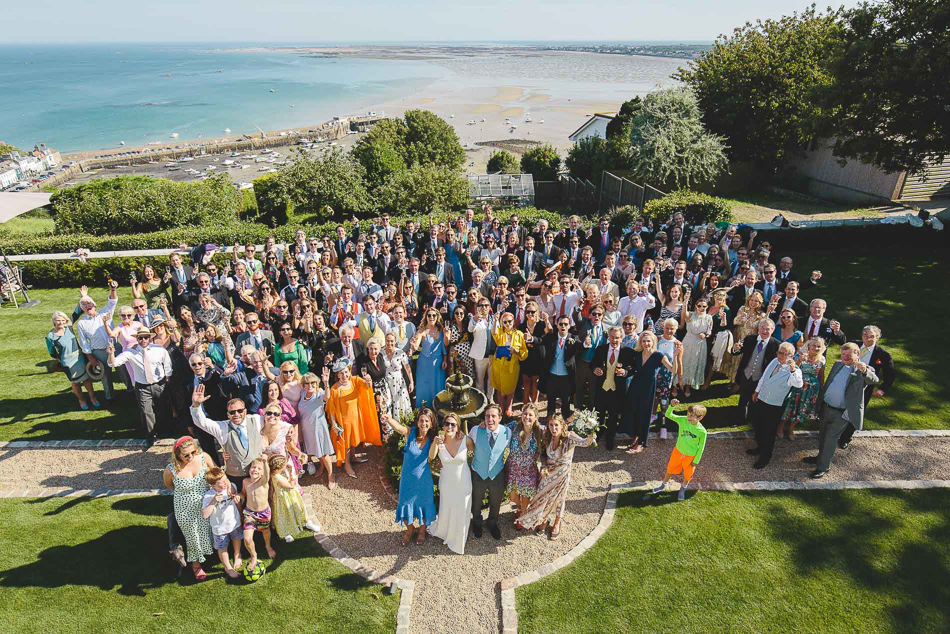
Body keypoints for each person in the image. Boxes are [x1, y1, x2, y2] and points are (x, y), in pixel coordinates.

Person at [804, 343, 879, 478]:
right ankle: (820, 458)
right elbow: (828, 384)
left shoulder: (862, 369)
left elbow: (874, 379)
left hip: (842, 413)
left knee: (830, 439)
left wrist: (864, 371)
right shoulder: (838, 364)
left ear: (857, 354)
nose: (845, 357)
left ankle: (823, 467)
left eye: (849, 354)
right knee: (822, 436)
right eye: (843, 354)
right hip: (826, 407)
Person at [516, 415, 593, 540]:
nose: (553, 428)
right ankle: (543, 520)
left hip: (562, 475)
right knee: (541, 497)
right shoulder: (547, 436)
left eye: (556, 425)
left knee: (559, 499)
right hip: (548, 473)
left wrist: (591, 433)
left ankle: (557, 523)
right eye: (551, 425)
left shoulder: (569, 437)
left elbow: (585, 443)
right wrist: (544, 466)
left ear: (562, 425)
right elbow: (543, 455)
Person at [107, 327, 172, 447]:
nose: (143, 340)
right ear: (137, 339)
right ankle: (151, 436)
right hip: (142, 387)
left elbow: (167, 364)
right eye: (140, 338)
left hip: (159, 384)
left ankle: (166, 431)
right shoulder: (130, 353)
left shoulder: (159, 350)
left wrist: (168, 377)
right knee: (146, 412)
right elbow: (113, 363)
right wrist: (111, 354)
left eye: (146, 337)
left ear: (150, 338)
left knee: (162, 408)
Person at [382, 408, 439, 546]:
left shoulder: (433, 439)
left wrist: (436, 443)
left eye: (427, 421)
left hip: (423, 481)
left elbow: (431, 456)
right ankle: (410, 529)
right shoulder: (411, 433)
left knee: (425, 506)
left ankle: (421, 531)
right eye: (421, 420)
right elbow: (400, 428)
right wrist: (389, 419)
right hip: (407, 480)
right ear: (418, 422)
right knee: (405, 504)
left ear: (431, 424)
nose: (424, 423)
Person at [162, 436, 215, 580]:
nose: (191, 457)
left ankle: (208, 554)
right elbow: (169, 485)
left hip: (204, 503)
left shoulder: (204, 457)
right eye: (186, 455)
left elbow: (215, 473)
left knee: (206, 530)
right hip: (184, 508)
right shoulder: (171, 469)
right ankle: (196, 564)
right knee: (192, 536)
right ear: (177, 455)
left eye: (193, 452)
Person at [191, 386, 266, 489]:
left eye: (240, 411)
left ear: (245, 411)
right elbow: (202, 422)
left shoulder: (257, 420)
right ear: (228, 414)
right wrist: (196, 405)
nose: (236, 414)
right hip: (235, 478)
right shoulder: (223, 427)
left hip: (258, 475)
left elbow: (274, 420)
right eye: (232, 412)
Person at [746, 342, 804, 468]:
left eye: (786, 354)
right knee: (757, 425)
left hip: (774, 405)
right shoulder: (773, 361)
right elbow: (764, 377)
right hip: (761, 398)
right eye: (780, 353)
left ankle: (765, 457)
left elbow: (798, 384)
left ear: (792, 356)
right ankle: (759, 447)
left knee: (768, 431)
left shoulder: (795, 371)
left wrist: (793, 369)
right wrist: (757, 391)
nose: (782, 356)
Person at [837, 325, 895, 450]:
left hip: (864, 387)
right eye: (865, 335)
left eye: (871, 336)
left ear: (877, 337)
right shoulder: (854, 345)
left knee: (855, 411)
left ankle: (845, 438)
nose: (868, 339)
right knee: (839, 406)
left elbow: (890, 374)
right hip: (845, 381)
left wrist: (882, 389)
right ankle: (834, 431)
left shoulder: (883, 354)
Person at [325, 358, 381, 479]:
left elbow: (367, 386)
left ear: (350, 371)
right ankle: (347, 464)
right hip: (344, 420)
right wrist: (334, 423)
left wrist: (369, 381)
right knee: (347, 444)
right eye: (341, 373)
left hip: (356, 417)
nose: (344, 375)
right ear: (337, 375)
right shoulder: (335, 389)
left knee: (355, 440)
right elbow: (332, 409)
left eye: (346, 372)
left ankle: (354, 457)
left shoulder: (355, 380)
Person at [622, 331, 675, 453]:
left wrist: (676, 355)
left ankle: (641, 442)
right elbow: (632, 369)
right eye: (644, 341)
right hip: (635, 386)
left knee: (644, 414)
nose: (646, 343)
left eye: (648, 341)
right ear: (641, 342)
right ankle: (635, 437)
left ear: (653, 342)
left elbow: (672, 369)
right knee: (634, 412)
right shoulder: (637, 354)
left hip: (648, 388)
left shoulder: (658, 355)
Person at [644, 400, 708, 501]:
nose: (688, 417)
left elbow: (701, 447)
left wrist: (696, 461)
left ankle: (683, 489)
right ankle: (663, 485)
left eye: (692, 416)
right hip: (677, 452)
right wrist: (671, 406)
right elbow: (669, 415)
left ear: (700, 418)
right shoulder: (683, 420)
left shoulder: (702, 432)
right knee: (670, 469)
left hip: (690, 457)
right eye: (688, 414)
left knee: (687, 474)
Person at [469, 404, 511, 540]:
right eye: (487, 416)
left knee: (496, 501)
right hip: (478, 472)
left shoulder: (507, 432)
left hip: (497, 473)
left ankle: (492, 523)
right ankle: (476, 522)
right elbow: (468, 445)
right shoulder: (475, 430)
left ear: (500, 418)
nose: (490, 419)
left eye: (493, 416)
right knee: (476, 501)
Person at [591, 326, 634, 451]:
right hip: (601, 388)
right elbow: (592, 364)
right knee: (599, 413)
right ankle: (598, 434)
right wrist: (595, 370)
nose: (614, 340)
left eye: (617, 338)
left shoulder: (627, 352)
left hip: (617, 390)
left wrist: (625, 372)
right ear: (608, 337)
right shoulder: (600, 350)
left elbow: (632, 367)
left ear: (622, 338)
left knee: (614, 415)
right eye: (612, 337)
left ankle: (610, 437)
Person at [75, 283, 119, 402]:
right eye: (83, 305)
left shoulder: (106, 312)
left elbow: (113, 301)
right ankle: (110, 397)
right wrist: (91, 357)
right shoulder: (82, 323)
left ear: (95, 305)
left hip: (116, 347)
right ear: (82, 309)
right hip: (99, 352)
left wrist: (113, 289)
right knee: (106, 377)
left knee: (124, 370)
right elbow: (84, 342)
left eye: (89, 303)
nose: (87, 306)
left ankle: (130, 390)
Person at [46, 311, 98, 410]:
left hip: (80, 358)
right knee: (75, 382)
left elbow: (76, 313)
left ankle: (92, 397)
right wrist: (59, 361)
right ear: (53, 321)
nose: (61, 322)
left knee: (87, 379)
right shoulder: (50, 336)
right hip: (68, 363)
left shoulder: (69, 327)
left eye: (63, 320)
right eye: (58, 320)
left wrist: (83, 299)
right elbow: (52, 352)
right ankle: (82, 400)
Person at [733, 319, 780, 423]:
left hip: (761, 377)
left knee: (755, 400)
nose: (764, 330)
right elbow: (737, 352)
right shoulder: (750, 339)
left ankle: (752, 420)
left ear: (772, 330)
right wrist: (735, 348)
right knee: (743, 399)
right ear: (759, 328)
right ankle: (740, 419)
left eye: (767, 329)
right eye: (762, 327)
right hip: (746, 374)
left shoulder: (776, 344)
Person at [200, 466, 244, 578]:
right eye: (222, 482)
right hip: (220, 529)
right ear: (213, 485)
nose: (225, 482)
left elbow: (238, 502)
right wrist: (214, 501)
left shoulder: (231, 487)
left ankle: (237, 554)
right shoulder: (209, 495)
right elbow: (205, 515)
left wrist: (241, 515)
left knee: (237, 539)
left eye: (226, 479)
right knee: (222, 549)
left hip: (235, 523)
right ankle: (228, 568)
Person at [780, 337, 826, 440]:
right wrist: (799, 361)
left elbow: (821, 375)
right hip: (797, 387)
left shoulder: (822, 360)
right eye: (814, 345)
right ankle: (780, 427)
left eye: (819, 346)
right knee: (789, 407)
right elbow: (791, 369)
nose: (816, 348)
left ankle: (791, 428)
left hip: (811, 390)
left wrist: (821, 389)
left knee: (802, 409)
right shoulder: (799, 355)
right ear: (809, 345)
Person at [296, 369, 336, 487]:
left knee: (323, 453)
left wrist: (326, 383)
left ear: (317, 384)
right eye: (307, 383)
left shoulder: (319, 394)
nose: (310, 386)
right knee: (315, 450)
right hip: (307, 429)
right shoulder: (303, 394)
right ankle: (322, 467)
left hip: (318, 428)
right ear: (303, 385)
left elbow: (327, 397)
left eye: (313, 383)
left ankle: (331, 474)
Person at [268, 454, 320, 543]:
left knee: (300, 508)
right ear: (279, 467)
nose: (286, 466)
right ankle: (285, 532)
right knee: (285, 514)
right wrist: (291, 471)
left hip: (286, 496)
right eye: (284, 465)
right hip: (285, 498)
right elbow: (291, 485)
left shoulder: (275, 474)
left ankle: (306, 522)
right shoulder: (278, 477)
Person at [506, 407, 543, 518]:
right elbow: (497, 429)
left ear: (536, 418)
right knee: (512, 497)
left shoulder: (540, 431)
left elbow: (557, 429)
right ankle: (521, 507)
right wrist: (484, 424)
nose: (527, 417)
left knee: (525, 497)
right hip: (513, 470)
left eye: (530, 415)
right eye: (525, 414)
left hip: (528, 472)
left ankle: (522, 515)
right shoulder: (513, 426)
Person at [240, 456, 276, 573]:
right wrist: (239, 496)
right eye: (253, 467)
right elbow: (244, 493)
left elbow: (267, 474)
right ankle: (253, 555)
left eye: (259, 468)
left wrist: (265, 462)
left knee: (265, 531)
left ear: (263, 473)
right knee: (247, 538)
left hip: (263, 513)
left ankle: (268, 546)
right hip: (249, 513)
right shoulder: (245, 482)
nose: (255, 469)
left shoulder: (263, 482)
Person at [490, 311, 529, 417]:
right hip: (499, 365)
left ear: (514, 322)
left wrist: (516, 351)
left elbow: (525, 352)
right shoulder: (500, 333)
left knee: (511, 388)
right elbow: (493, 333)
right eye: (505, 322)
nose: (507, 324)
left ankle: (509, 407)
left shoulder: (519, 334)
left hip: (512, 366)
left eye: (509, 321)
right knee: (499, 388)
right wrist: (495, 320)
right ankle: (501, 407)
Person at [539, 315, 577, 421]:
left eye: (565, 324)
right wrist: (530, 338)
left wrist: (586, 344)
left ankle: (565, 426)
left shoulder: (573, 338)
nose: (563, 326)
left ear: (569, 326)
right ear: (557, 325)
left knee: (566, 403)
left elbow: (581, 346)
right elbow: (539, 340)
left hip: (566, 377)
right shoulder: (552, 337)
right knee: (551, 402)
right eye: (561, 324)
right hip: (552, 375)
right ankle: (550, 424)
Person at [411, 308, 447, 409]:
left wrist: (444, 359)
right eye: (429, 315)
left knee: (438, 386)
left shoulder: (441, 329)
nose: (431, 317)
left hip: (438, 363)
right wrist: (413, 345)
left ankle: (438, 410)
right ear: (426, 317)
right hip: (424, 363)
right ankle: (423, 410)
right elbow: (416, 346)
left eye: (434, 315)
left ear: (437, 317)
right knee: (424, 387)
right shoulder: (421, 330)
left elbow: (444, 346)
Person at [679, 297, 713, 397]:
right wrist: (685, 302)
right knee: (683, 362)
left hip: (700, 344)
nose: (701, 308)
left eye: (704, 306)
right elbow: (684, 314)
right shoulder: (690, 315)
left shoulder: (709, 318)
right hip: (688, 341)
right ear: (695, 306)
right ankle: (678, 384)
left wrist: (705, 335)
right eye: (699, 306)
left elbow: (709, 332)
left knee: (694, 363)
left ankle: (688, 386)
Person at [519, 301, 547, 408]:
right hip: (526, 356)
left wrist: (532, 340)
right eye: (528, 312)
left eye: (533, 312)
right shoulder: (521, 326)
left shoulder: (541, 324)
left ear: (537, 312)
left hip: (538, 356)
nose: (530, 314)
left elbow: (544, 339)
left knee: (535, 381)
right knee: (525, 380)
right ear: (525, 313)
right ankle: (525, 401)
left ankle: (534, 403)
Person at [380, 332, 413, 420]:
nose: (389, 343)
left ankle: (402, 421)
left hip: (398, 381)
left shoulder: (400, 352)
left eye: (392, 341)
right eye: (387, 341)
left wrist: (411, 382)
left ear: (395, 342)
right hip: (386, 382)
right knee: (389, 402)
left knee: (400, 402)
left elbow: (407, 367)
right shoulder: (381, 353)